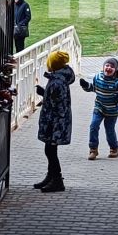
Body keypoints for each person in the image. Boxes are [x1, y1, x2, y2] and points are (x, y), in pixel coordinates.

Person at [32, 50, 74, 192]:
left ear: (53, 64)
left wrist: (52, 124)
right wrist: (44, 92)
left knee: (50, 150)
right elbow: (56, 98)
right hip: (55, 121)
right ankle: (51, 176)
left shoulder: (57, 81)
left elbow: (58, 104)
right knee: (50, 149)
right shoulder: (58, 79)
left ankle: (57, 179)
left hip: (55, 123)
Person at [79, 56, 118, 159]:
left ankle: (114, 149)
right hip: (99, 108)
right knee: (93, 126)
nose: (109, 68)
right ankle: (93, 150)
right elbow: (93, 88)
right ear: (103, 67)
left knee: (109, 130)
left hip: (112, 111)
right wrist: (85, 85)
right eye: (107, 65)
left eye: (112, 67)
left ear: (115, 70)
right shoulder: (97, 77)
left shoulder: (117, 83)